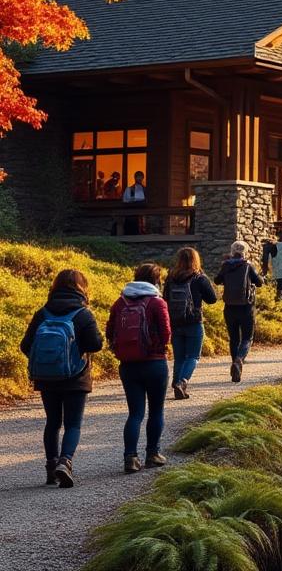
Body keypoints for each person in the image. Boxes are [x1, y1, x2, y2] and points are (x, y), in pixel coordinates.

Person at [20, 269, 104, 488]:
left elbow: (25, 346)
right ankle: (65, 462)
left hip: (47, 377)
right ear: (82, 288)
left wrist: (47, 360)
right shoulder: (83, 314)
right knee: (73, 424)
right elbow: (96, 344)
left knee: (53, 422)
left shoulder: (43, 313)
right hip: (76, 376)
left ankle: (50, 466)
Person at [107, 263, 171, 473]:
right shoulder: (157, 302)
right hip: (154, 362)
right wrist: (158, 346)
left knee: (135, 413)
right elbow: (166, 334)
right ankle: (152, 454)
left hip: (128, 365)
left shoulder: (120, 302)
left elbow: (110, 332)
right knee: (156, 411)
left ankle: (130, 458)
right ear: (156, 280)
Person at [165, 247, 217, 399]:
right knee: (193, 356)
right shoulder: (199, 278)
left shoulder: (170, 277)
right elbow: (212, 299)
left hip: (175, 322)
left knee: (179, 357)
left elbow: (165, 298)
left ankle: (176, 384)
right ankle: (181, 382)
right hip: (194, 321)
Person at [215, 241, 262, 382]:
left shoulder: (226, 266)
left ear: (232, 251)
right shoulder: (248, 266)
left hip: (229, 307)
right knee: (247, 338)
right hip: (246, 307)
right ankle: (239, 361)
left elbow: (217, 280)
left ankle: (235, 365)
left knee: (234, 338)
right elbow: (259, 282)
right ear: (245, 252)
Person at [121, 171, 147, 235]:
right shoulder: (129, 189)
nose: (139, 178)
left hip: (142, 212)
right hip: (131, 213)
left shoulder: (145, 189)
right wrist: (132, 200)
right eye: (138, 177)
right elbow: (125, 200)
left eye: (141, 177)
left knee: (141, 230)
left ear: (143, 178)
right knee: (131, 230)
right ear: (135, 178)